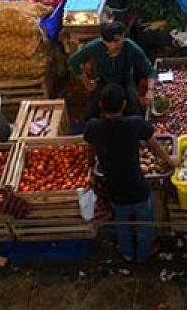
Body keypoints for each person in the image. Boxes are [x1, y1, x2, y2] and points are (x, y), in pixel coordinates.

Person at [83, 84, 180, 263]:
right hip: (139, 190)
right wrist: (170, 161)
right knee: (145, 225)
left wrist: (91, 167)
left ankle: (127, 254)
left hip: (115, 191)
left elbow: (90, 151)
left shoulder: (93, 127)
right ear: (124, 105)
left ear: (100, 105)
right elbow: (155, 146)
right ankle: (143, 256)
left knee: (122, 224)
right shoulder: (135, 123)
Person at [68, 20, 157, 118]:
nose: (113, 46)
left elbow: (150, 71)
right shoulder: (95, 46)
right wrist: (87, 83)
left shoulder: (130, 47)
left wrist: (150, 90)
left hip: (125, 79)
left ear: (123, 35)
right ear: (102, 39)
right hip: (103, 79)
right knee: (91, 112)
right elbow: (73, 61)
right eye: (108, 42)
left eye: (117, 41)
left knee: (135, 109)